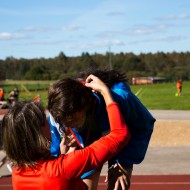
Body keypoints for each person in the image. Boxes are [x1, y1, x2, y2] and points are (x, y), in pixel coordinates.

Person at [1, 74, 131, 190]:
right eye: (44, 121)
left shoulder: (17, 173)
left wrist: (60, 157)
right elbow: (119, 135)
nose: (49, 123)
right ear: (38, 133)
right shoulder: (65, 167)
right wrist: (105, 92)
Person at [48, 69, 156, 190]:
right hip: (88, 142)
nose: (70, 125)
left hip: (121, 142)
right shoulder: (57, 112)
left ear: (85, 104)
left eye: (73, 119)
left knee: (117, 185)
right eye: (65, 122)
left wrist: (123, 162)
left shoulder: (121, 97)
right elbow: (53, 152)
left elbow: (144, 124)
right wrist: (59, 161)